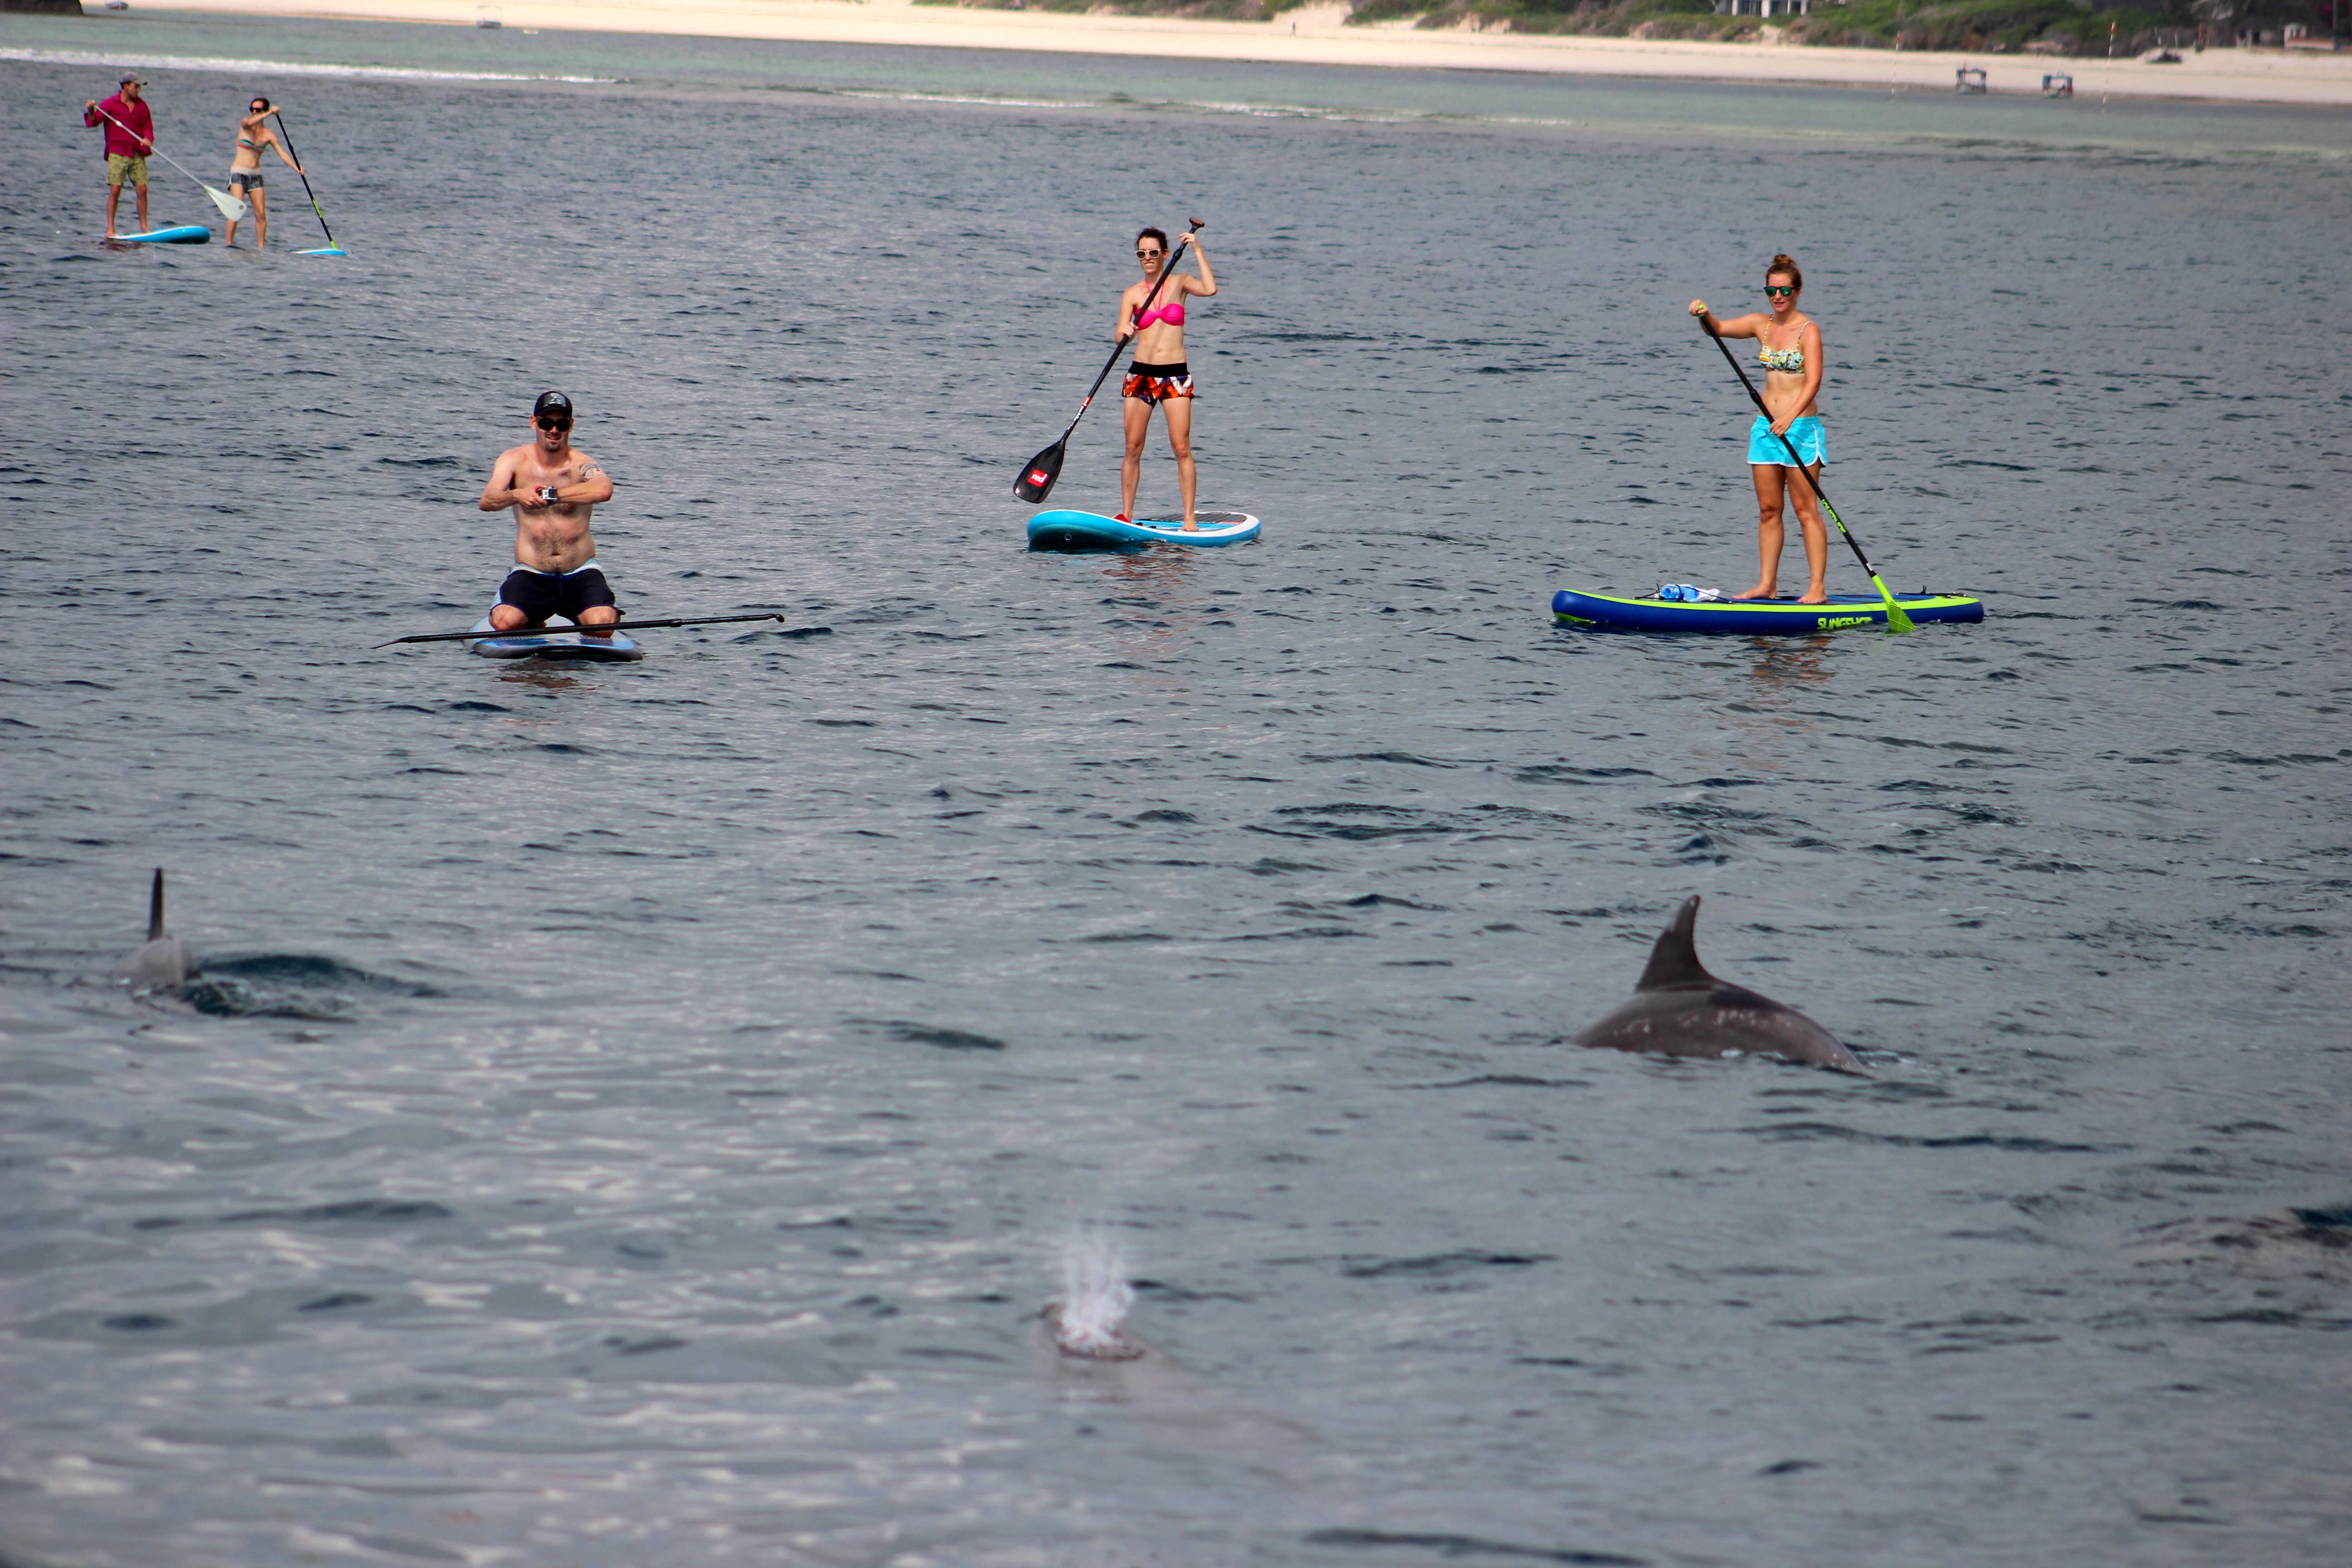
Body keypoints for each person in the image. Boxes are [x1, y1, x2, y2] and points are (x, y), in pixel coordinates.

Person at [1688, 254, 1828, 604]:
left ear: (1797, 291)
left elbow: (1813, 382)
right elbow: (1717, 330)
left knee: (1805, 510)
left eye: (1784, 290)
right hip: (1765, 430)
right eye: (1771, 290)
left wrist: (1790, 417)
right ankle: (1767, 584)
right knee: (1769, 511)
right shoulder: (1760, 325)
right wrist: (1704, 315)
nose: (1777, 296)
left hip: (1799, 429)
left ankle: (1817, 589)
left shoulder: (1808, 331)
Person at [477, 392, 618, 634]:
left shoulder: (582, 464)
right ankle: (532, 618)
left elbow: (604, 490)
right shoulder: (513, 460)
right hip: (532, 572)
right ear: (534, 423)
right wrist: (517, 495)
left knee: (603, 626)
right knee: (505, 623)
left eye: (561, 424)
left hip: (580, 572)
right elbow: (487, 500)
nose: (554, 430)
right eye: (546, 423)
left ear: (570, 426)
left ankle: (587, 618)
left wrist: (552, 496)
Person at [1116, 225, 1216, 528]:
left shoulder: (1180, 283)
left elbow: (1210, 289)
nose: (1147, 258)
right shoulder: (1132, 294)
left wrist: (1197, 249)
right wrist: (1126, 333)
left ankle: (1189, 518)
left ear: (1164, 254)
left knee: (1181, 448)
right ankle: (1127, 515)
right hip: (1141, 375)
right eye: (1141, 253)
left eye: (1153, 253)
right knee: (1133, 448)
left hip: (1174, 375)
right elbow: (1119, 332)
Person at [223, 97, 301, 250]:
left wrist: (296, 168)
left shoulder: (269, 135)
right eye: (252, 109)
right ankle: (229, 245)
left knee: (261, 214)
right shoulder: (246, 125)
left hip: (256, 176)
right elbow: (249, 123)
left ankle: (261, 248)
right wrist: (269, 113)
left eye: (258, 110)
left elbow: (282, 153)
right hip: (238, 173)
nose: (254, 112)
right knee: (237, 209)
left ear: (264, 111)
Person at [83, 75, 154, 239]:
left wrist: (148, 138)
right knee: (115, 189)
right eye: (136, 86)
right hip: (118, 151)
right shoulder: (110, 104)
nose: (139, 89)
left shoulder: (142, 106)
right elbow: (94, 121)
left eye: (139, 87)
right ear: (126, 86)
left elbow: (147, 127)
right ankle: (110, 228)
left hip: (137, 151)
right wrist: (91, 110)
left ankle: (144, 226)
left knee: (142, 190)